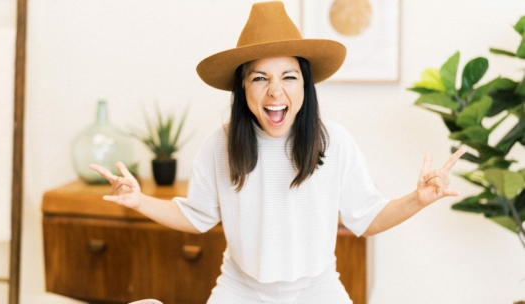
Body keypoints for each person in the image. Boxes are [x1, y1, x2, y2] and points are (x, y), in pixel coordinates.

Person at [90, 2, 466, 303]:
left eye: (288, 77)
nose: (275, 92)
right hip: (240, 289)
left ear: (305, 85)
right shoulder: (219, 146)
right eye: (260, 78)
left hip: (317, 291)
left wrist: (418, 199)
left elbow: (367, 219)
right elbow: (196, 216)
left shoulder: (334, 143)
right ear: (242, 89)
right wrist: (139, 202)